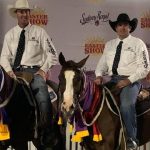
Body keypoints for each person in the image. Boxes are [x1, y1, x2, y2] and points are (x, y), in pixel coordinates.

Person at [94, 13, 150, 150]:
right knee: (94, 100)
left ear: (130, 27)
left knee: (126, 104)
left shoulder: (138, 43)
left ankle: (132, 139)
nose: (122, 27)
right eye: (120, 25)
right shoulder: (109, 45)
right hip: (112, 80)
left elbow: (145, 68)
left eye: (126, 25)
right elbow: (102, 64)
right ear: (116, 28)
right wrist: (99, 75)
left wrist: (128, 81)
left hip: (132, 81)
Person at [0, 0, 58, 128]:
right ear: (16, 14)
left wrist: (43, 70)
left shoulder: (40, 32)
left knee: (42, 95)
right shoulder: (9, 35)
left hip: (34, 72)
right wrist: (9, 71)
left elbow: (53, 54)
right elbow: (4, 57)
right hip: (14, 72)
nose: (24, 14)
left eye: (26, 11)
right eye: (21, 12)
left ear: (29, 13)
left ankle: (46, 129)